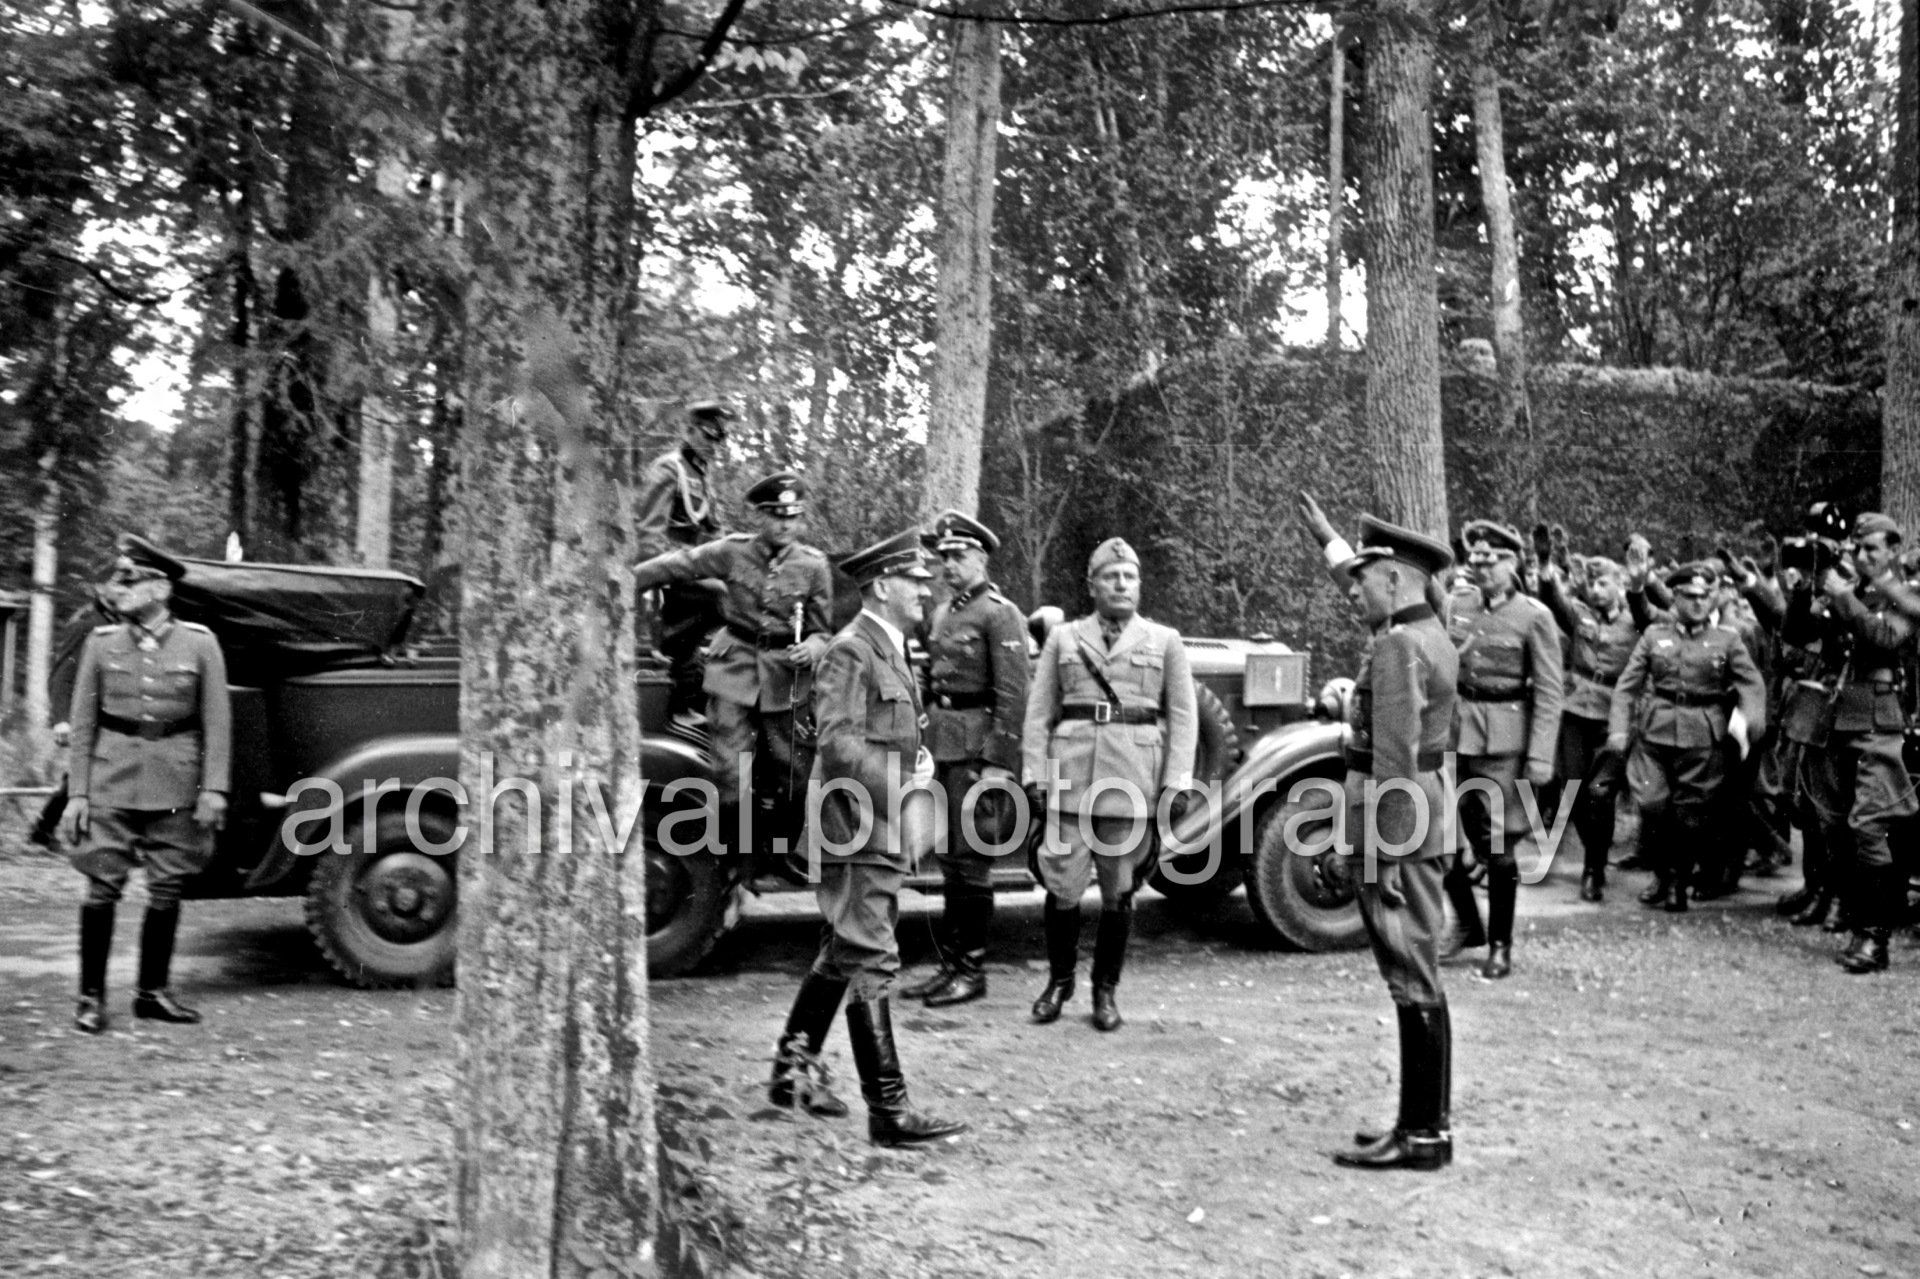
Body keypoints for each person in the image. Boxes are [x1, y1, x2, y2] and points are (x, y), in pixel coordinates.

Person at [765, 529, 968, 1147]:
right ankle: (889, 1111)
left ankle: (789, 1072)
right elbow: (839, 741)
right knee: (873, 953)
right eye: (916, 581)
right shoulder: (853, 650)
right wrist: (902, 787)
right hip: (857, 822)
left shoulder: (889, 646)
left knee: (845, 948)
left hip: (871, 819)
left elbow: (886, 732)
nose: (926, 590)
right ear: (884, 586)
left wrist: (918, 762)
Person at [1299, 495, 1461, 1172]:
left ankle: (1422, 1135)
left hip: (1397, 824)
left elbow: (1393, 758)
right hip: (1420, 817)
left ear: (1392, 580)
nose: (1354, 591)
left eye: (1363, 580)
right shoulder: (1427, 628)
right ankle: (1421, 1125)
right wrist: (1333, 543)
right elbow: (1367, 584)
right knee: (1414, 971)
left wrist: (1378, 855)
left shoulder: (1398, 644)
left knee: (1410, 973)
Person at [1023, 537, 1196, 1032]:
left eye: (1130, 577)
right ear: (1092, 585)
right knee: (1062, 886)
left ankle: (1105, 990)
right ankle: (1059, 983)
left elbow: (1183, 718)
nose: (1122, 584)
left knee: (1120, 891)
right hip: (1070, 779)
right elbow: (1039, 714)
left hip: (1131, 783)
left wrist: (1176, 783)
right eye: (1111, 577)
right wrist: (1034, 774)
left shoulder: (1165, 640)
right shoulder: (1065, 638)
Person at [63, 537, 231, 1033]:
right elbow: (82, 721)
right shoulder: (101, 644)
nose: (120, 590)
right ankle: (90, 998)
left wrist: (213, 788)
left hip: (175, 784)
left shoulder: (201, 644)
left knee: (167, 886)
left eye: (130, 580)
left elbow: (217, 723)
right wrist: (78, 792)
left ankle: (152, 993)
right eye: (119, 580)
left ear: (160, 588)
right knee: (101, 886)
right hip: (110, 778)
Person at [633, 471, 833, 856]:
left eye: (792, 517)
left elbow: (823, 632)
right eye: (776, 516)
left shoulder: (814, 567)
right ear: (760, 517)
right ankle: (735, 857)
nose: (785, 525)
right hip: (735, 666)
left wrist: (812, 647)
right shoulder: (733, 551)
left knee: (792, 770)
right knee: (729, 767)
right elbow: (679, 564)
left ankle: (780, 854)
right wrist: (623, 579)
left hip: (785, 677)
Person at [896, 510, 1029, 1008]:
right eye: (943, 557)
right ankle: (950, 965)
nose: (949, 566)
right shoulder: (943, 613)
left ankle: (971, 970)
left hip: (977, 750)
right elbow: (931, 682)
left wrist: (997, 762)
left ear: (981, 558)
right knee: (950, 860)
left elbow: (1015, 694)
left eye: (958, 556)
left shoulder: (1000, 614)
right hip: (944, 747)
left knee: (972, 863)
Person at [1779, 514, 1916, 972]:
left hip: (1879, 719)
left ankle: (1875, 938)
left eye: (1873, 550)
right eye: (1858, 550)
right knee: (1836, 827)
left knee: (1869, 826)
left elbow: (1883, 637)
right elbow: (1799, 635)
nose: (1863, 557)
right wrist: (1803, 590)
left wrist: (1840, 595)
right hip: (1837, 719)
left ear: (1894, 550)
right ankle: (1858, 920)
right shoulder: (1850, 592)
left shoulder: (1907, 593)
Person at [1607, 563, 1767, 914]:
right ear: (1675, 597)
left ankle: (1676, 880)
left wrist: (1753, 720)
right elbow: (1627, 686)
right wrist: (1618, 730)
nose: (1697, 603)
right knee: (1651, 803)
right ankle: (1662, 873)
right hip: (1656, 731)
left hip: (1702, 735)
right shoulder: (1654, 636)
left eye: (1704, 596)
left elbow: (1751, 683)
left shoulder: (1728, 639)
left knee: (1689, 815)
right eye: (1689, 596)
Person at [1443, 520, 1563, 979]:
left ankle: (1500, 944)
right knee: (1443, 835)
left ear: (1511, 565)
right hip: (1458, 731)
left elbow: (1550, 691)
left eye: (1491, 563)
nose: (1482, 570)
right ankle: (1468, 925)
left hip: (1505, 739)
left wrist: (1539, 757)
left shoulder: (1534, 616)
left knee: (1499, 848)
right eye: (1477, 561)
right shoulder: (1457, 604)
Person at [1536, 554, 1641, 902]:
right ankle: (1594, 852)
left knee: (1601, 794)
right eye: (1592, 584)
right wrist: (1545, 568)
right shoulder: (1579, 615)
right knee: (1574, 788)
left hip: (1615, 715)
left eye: (1603, 584)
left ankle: (1593, 868)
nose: (1596, 591)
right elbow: (1554, 601)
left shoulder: (1634, 621)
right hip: (1577, 710)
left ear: (1620, 584)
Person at [634, 400, 734, 725]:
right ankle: (674, 650)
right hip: (659, 578)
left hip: (685, 575)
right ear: (688, 431)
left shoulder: (702, 478)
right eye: (708, 437)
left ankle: (690, 680)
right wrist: (697, 564)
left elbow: (717, 538)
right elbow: (649, 539)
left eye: (720, 439)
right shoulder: (669, 469)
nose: (715, 446)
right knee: (721, 597)